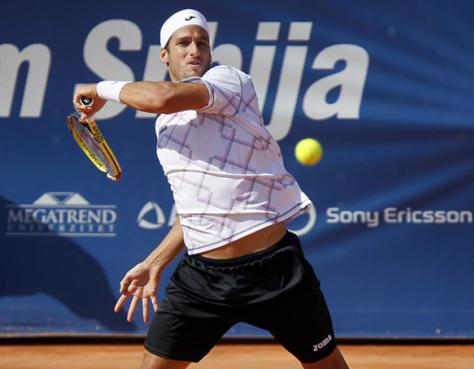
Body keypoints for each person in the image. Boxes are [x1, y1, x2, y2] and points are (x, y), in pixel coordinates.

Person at [73, 9, 350, 369]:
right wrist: (155, 261)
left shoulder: (228, 81)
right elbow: (192, 210)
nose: (194, 51)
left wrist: (101, 88)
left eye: (201, 43)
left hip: (275, 271)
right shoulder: (166, 129)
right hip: (202, 278)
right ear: (165, 55)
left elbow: (160, 97)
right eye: (183, 43)